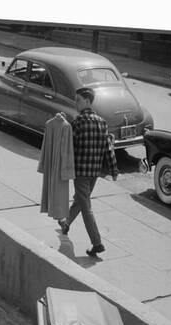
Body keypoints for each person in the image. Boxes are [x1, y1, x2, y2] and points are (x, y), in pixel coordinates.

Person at [58, 87, 118, 257]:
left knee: (86, 206)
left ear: (87, 101)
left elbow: (68, 148)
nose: (75, 103)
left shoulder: (77, 122)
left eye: (78, 100)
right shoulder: (102, 122)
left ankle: (97, 243)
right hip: (94, 172)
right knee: (81, 200)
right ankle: (66, 224)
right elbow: (109, 149)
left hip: (81, 172)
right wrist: (114, 169)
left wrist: (62, 166)